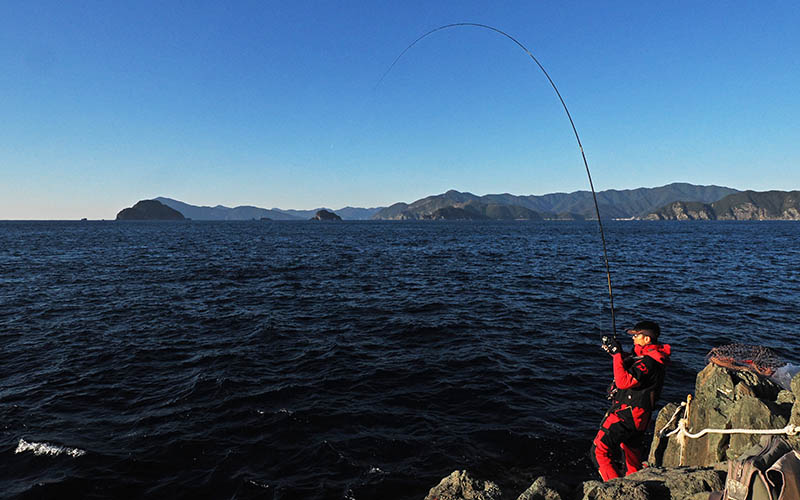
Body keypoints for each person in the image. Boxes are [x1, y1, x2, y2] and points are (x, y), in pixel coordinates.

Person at [591, 320, 671, 481]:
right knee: (630, 455)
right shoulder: (649, 357)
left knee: (599, 450)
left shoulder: (649, 362)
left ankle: (614, 487)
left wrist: (616, 356)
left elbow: (623, 382)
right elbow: (633, 361)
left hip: (629, 414)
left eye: (636, 335)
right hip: (640, 417)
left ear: (647, 339)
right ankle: (633, 483)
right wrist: (617, 352)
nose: (633, 338)